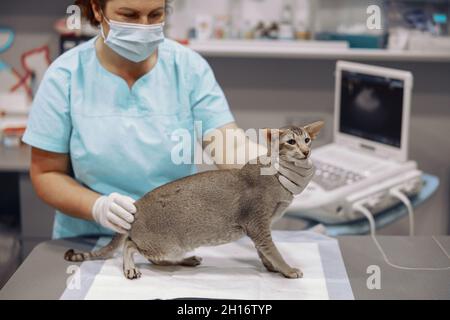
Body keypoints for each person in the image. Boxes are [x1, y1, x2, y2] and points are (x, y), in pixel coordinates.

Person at [22, 0, 314, 239]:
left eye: (155, 15)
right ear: (98, 10)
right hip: (88, 237)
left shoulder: (188, 68)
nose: (144, 27)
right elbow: (47, 174)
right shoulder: (66, 75)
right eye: (129, 15)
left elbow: (229, 144)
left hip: (173, 234)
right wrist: (97, 207)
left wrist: (272, 169)